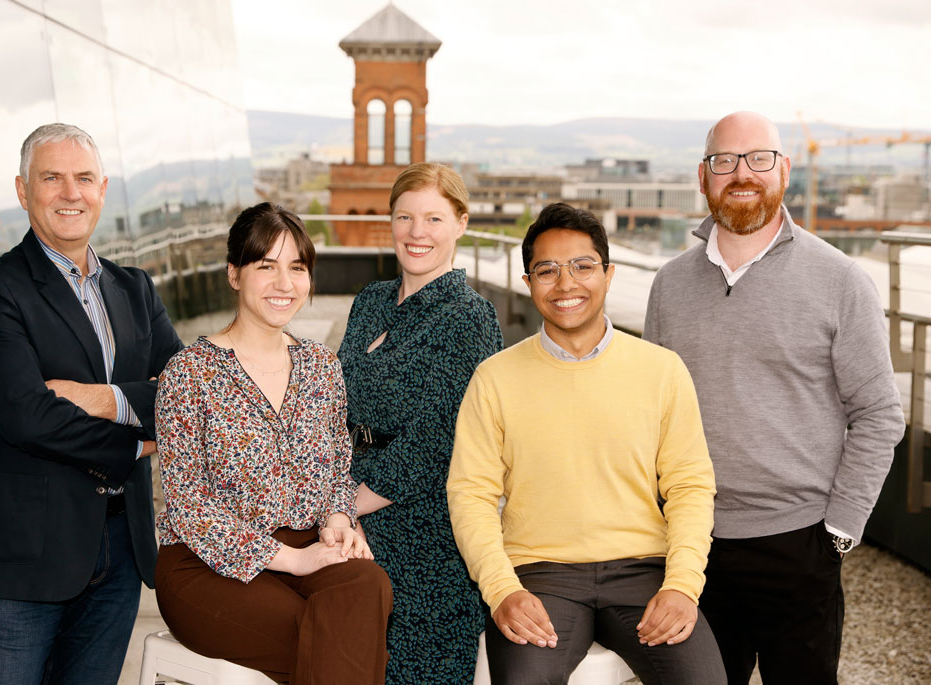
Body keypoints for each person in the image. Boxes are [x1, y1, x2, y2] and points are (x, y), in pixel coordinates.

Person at [643, 111, 906, 684]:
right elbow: (651, 412)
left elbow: (879, 414)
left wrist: (839, 530)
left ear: (784, 170)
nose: (742, 173)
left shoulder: (840, 280)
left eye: (759, 158)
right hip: (692, 544)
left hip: (800, 543)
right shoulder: (669, 285)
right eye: (725, 160)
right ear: (703, 176)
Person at [448, 203, 726, 685]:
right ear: (528, 282)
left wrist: (683, 586)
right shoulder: (494, 378)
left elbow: (690, 487)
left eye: (582, 266)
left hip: (644, 570)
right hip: (539, 573)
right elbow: (470, 494)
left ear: (608, 274)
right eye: (547, 270)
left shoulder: (662, 371)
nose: (566, 284)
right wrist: (501, 590)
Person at [0, 123, 183, 683]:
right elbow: (29, 418)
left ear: (102, 188)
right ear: (23, 190)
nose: (70, 192)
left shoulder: (135, 289)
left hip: (121, 549)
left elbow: (189, 393)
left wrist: (103, 399)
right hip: (23, 558)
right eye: (51, 178)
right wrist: (136, 445)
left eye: (83, 178)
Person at [154, 202, 392, 685]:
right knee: (333, 630)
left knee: (368, 585)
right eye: (266, 266)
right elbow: (190, 507)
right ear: (234, 274)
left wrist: (338, 520)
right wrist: (294, 561)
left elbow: (336, 468)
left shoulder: (321, 367)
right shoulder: (190, 373)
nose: (285, 283)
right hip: (205, 563)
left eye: (297, 268)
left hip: (303, 541)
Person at [337, 162, 503, 683]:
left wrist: (346, 505)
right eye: (405, 217)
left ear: (461, 223)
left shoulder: (470, 317)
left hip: (424, 534)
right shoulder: (370, 301)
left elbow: (439, 440)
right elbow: (331, 407)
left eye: (433, 218)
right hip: (348, 512)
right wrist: (336, 503)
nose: (416, 232)